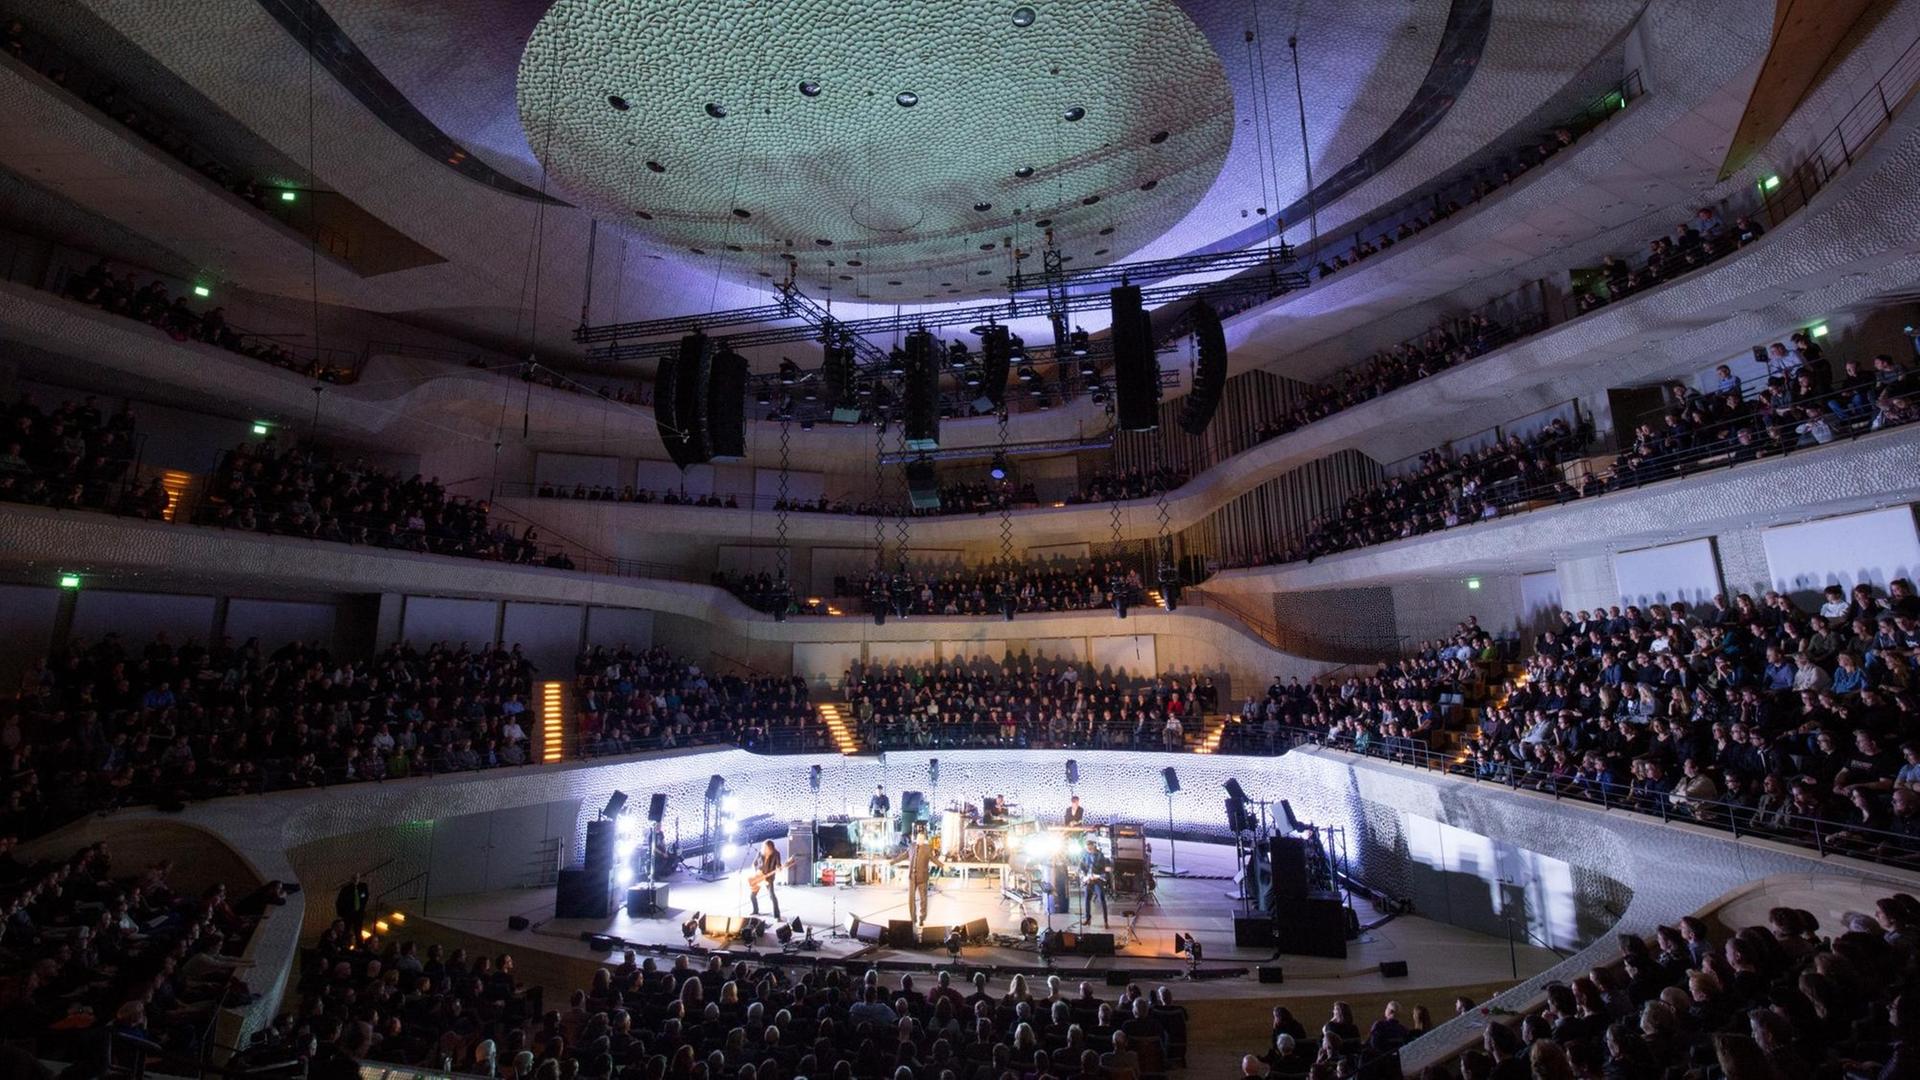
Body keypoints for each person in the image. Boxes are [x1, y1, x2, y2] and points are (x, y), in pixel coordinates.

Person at [892, 825, 943, 926]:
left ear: (924, 840)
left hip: (922, 878)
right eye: (919, 838)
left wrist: (942, 866)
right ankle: (913, 918)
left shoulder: (927, 848)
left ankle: (922, 918)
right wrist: (892, 861)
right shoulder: (911, 847)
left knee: (923, 899)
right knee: (911, 899)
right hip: (912, 877)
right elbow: (903, 856)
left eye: (922, 838)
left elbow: (933, 859)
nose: (920, 840)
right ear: (916, 838)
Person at [1080, 838, 1111, 927]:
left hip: (1097, 880)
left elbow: (1103, 869)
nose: (1088, 847)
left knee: (1102, 899)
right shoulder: (1085, 855)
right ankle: (1088, 918)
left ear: (1094, 846)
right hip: (1089, 880)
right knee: (1087, 899)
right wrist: (1083, 876)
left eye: (1090, 846)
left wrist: (1095, 873)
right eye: (1087, 846)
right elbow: (1082, 867)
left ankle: (1105, 921)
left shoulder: (1100, 855)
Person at [748, 840, 781, 919]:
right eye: (764, 847)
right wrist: (757, 871)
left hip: (768, 878)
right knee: (752, 896)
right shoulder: (760, 853)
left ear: (771, 848)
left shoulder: (776, 854)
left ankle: (777, 915)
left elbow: (778, 865)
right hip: (759, 876)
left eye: (767, 848)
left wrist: (778, 868)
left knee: (772, 896)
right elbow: (754, 863)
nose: (765, 849)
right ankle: (755, 910)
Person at [334, 874, 369, 942]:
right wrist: (341, 913)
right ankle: (344, 944)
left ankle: (359, 945)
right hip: (349, 913)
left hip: (359, 913)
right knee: (346, 930)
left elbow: (365, 896)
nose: (356, 879)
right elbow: (340, 901)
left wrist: (362, 907)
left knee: (358, 931)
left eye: (357, 878)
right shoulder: (346, 889)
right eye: (354, 878)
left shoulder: (363, 886)